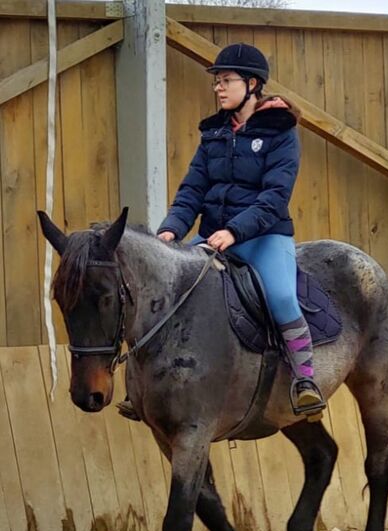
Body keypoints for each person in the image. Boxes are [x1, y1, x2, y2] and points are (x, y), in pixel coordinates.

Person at [119, 43, 324, 421]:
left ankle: (305, 380)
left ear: (252, 84)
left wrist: (235, 231)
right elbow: (192, 191)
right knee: (165, 287)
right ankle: (141, 385)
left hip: (264, 236)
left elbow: (274, 197)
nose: (218, 87)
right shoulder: (214, 134)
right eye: (217, 81)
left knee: (281, 295)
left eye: (225, 81)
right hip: (212, 236)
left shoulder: (281, 133)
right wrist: (170, 232)